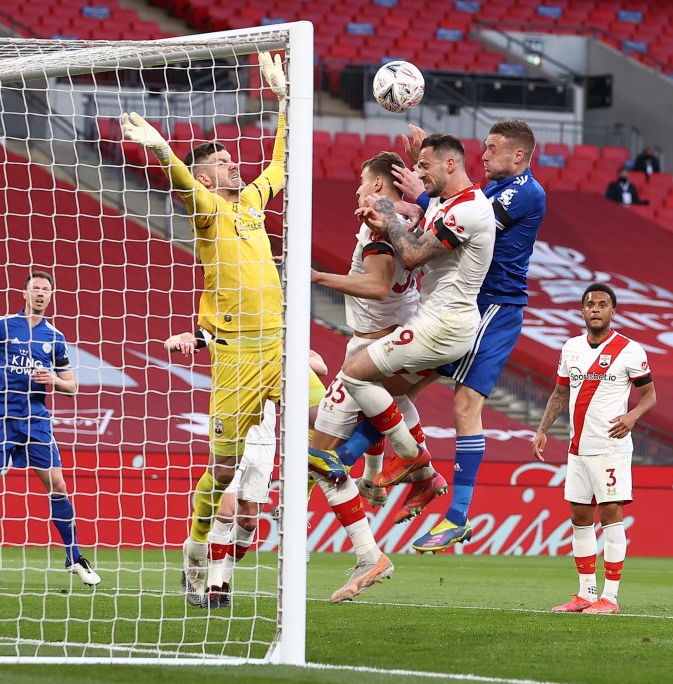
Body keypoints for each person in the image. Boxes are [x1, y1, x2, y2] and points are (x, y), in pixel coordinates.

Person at [120, 52, 288, 606]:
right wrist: (163, 148)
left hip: (279, 346)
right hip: (236, 355)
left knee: (333, 404)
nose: (235, 167)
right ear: (205, 173)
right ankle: (196, 554)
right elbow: (183, 183)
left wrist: (286, 99)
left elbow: (281, 166)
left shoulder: (253, 205)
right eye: (221, 161)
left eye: (234, 159)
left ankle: (381, 481)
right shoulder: (208, 211)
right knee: (220, 472)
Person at [387, 120, 547, 552]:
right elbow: (454, 204)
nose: (485, 154)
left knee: (464, 404)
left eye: (492, 148)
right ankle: (407, 472)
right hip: (461, 304)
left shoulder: (525, 192)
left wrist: (422, 193)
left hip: (494, 306)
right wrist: (431, 170)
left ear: (518, 155)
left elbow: (470, 224)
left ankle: (457, 516)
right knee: (400, 384)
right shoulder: (487, 188)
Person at [309, 151, 443, 599]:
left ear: (381, 187)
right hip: (397, 338)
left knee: (318, 457)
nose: (357, 189)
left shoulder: (379, 228)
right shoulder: (413, 219)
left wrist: (316, 277)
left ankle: (371, 548)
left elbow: (376, 285)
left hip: (376, 345)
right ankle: (413, 479)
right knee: (375, 417)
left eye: (363, 182)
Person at [336, 134, 495, 506]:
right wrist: (404, 212)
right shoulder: (447, 202)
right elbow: (424, 221)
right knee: (388, 394)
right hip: (437, 322)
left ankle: (411, 458)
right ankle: (418, 476)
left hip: (442, 327)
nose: (418, 176)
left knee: (353, 372)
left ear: (451, 165)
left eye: (424, 167)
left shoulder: (467, 209)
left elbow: (410, 255)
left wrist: (390, 213)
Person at [0, 271, 100, 590]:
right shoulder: (3, 326)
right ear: (24, 293)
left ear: (51, 296)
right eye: (35, 289)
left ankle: (74, 557)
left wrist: (55, 381)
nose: (40, 294)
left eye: (46, 290)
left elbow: (72, 386)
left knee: (59, 486)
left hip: (35, 421)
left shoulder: (55, 337)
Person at [164, 330, 329, 608]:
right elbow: (185, 340)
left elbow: (321, 366)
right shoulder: (223, 333)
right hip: (231, 432)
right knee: (225, 512)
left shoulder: (279, 341)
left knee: (249, 520)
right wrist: (180, 342)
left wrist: (288, 359)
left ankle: (223, 580)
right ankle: (214, 586)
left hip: (264, 440)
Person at [531, 282, 657, 615]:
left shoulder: (630, 350)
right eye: (590, 304)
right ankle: (586, 593)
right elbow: (559, 394)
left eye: (602, 304)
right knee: (579, 517)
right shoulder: (570, 348)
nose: (596, 309)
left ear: (613, 311)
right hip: (577, 450)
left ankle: (610, 598)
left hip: (611, 448)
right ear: (582, 310)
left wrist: (632, 416)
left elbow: (650, 396)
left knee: (611, 516)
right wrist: (542, 430)